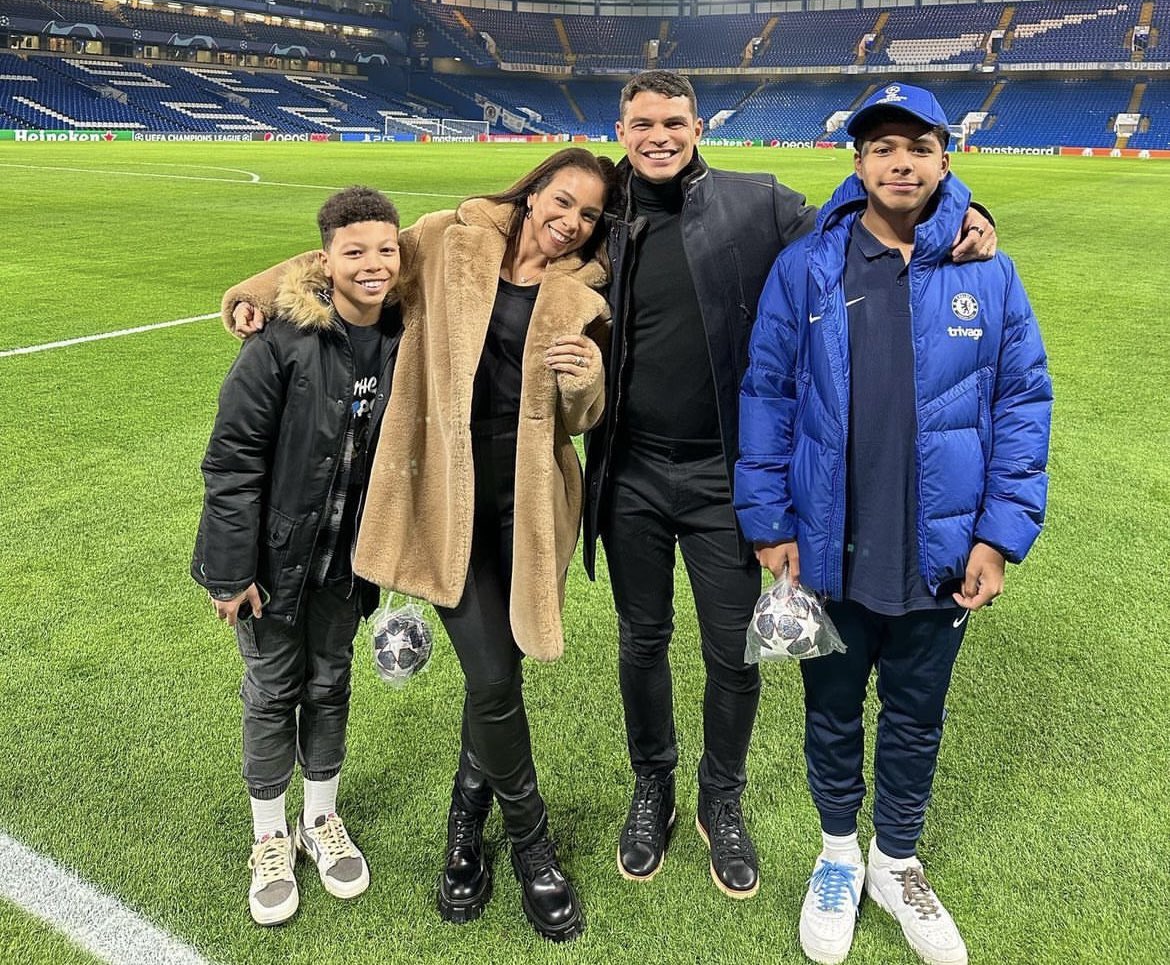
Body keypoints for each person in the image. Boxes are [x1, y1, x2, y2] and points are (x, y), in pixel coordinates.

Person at [581, 70, 997, 899]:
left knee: (735, 650)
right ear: (620, 130)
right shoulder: (600, 212)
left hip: (721, 471)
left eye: (673, 120)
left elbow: (871, 211)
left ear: (698, 125)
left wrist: (968, 211)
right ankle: (652, 784)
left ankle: (720, 795)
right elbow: (480, 235)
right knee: (641, 640)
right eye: (640, 123)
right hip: (626, 468)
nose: (657, 135)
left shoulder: (756, 202)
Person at [222, 147, 614, 943]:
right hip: (448, 503)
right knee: (494, 676)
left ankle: (464, 824)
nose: (570, 220)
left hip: (531, 514)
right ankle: (532, 841)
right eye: (562, 200)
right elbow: (344, 261)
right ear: (534, 189)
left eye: (588, 213)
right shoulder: (449, 240)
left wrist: (585, 377)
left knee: (494, 684)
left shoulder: (582, 291)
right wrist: (257, 294)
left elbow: (581, 418)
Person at [735, 82, 1052, 964]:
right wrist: (768, 519)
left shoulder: (986, 266)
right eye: (881, 147)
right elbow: (765, 393)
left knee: (916, 715)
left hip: (940, 552)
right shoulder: (807, 264)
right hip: (831, 549)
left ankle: (895, 859)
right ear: (858, 162)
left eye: (917, 145)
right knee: (831, 711)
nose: (900, 161)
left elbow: (1024, 401)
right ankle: (838, 853)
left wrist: (997, 535)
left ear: (946, 156)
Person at [193, 186, 403, 926]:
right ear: (326, 259)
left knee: (330, 683)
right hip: (272, 566)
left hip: (347, 566)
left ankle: (320, 818)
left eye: (386, 249)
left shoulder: (404, 335)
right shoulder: (280, 340)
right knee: (272, 688)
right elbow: (233, 458)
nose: (372, 264)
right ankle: (269, 834)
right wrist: (229, 569)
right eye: (355, 251)